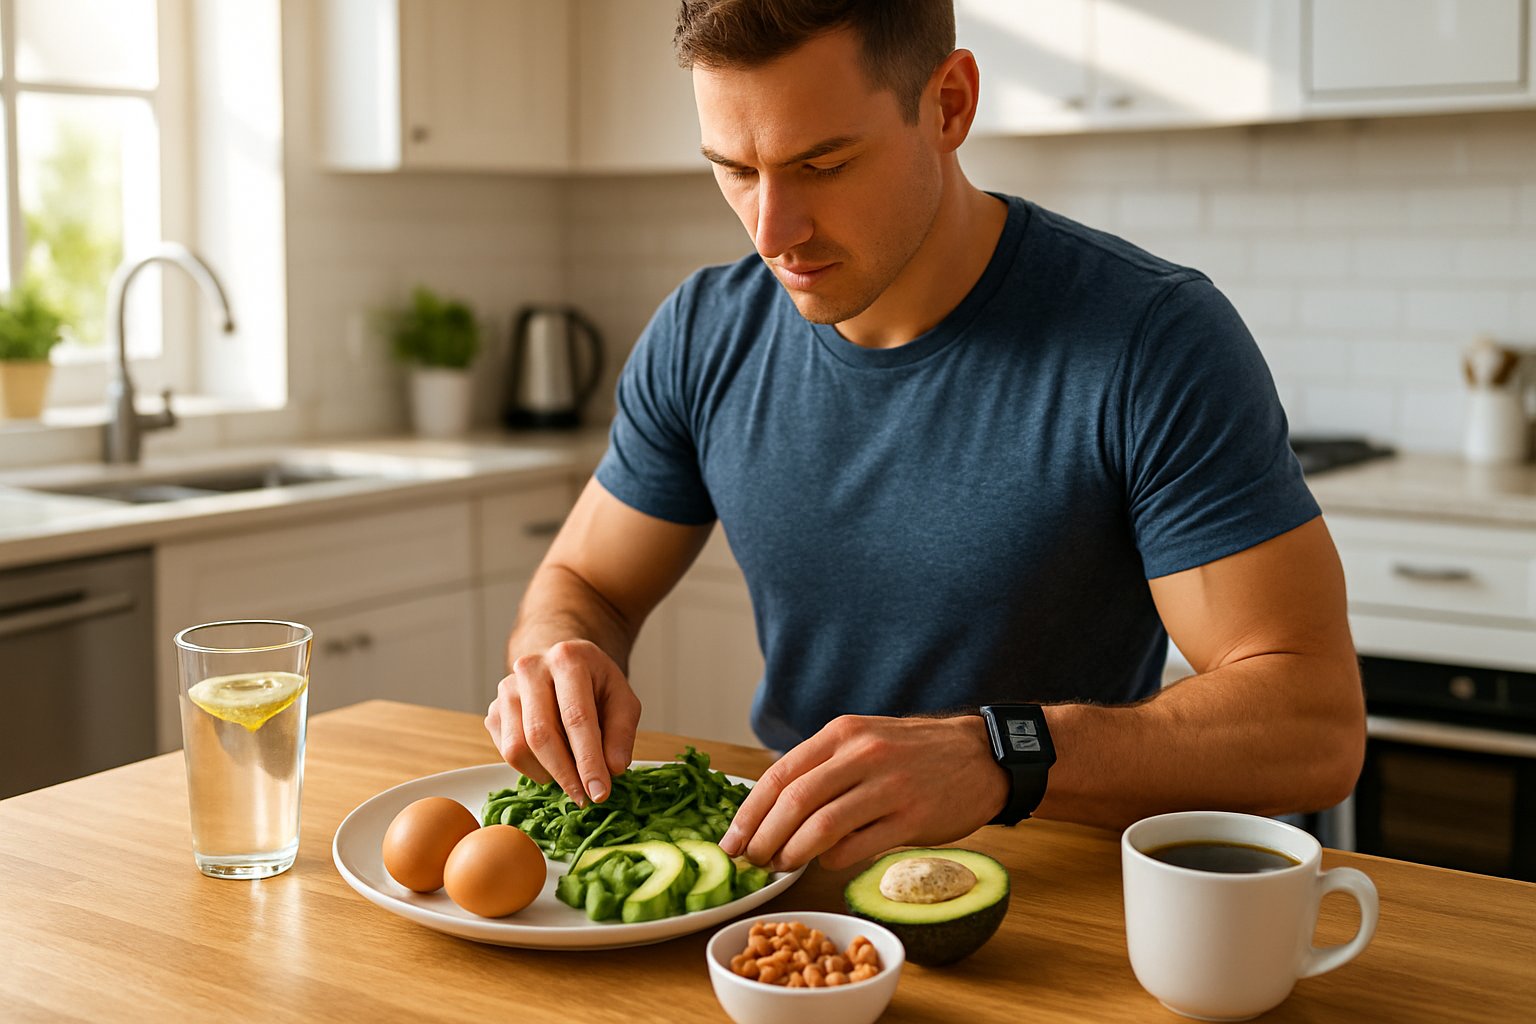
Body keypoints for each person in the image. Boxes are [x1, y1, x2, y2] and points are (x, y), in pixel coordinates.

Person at [485, 0, 1365, 873]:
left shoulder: (1151, 338)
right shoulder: (704, 334)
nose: (771, 233)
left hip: (1061, 892)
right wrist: (558, 657)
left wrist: (998, 754)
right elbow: (586, 581)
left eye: (822, 164)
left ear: (948, 105)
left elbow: (1311, 725)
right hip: (788, 883)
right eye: (736, 171)